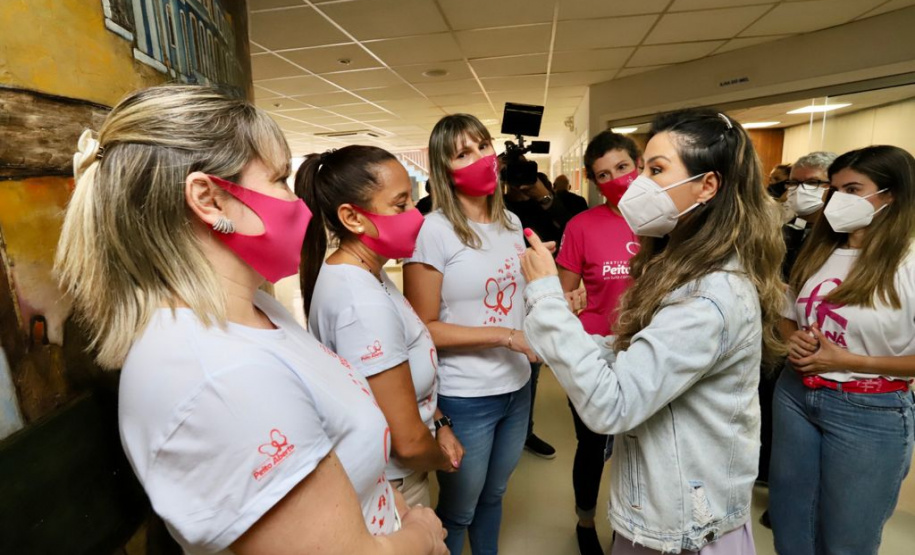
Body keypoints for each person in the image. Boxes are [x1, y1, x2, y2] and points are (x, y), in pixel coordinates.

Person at [55, 85, 447, 555]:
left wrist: (395, 509)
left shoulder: (260, 310)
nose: (298, 204)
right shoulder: (219, 376)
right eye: (279, 179)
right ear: (209, 199)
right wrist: (423, 534)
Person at [520, 108, 786, 554]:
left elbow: (613, 404)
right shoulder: (682, 267)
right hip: (664, 508)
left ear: (707, 185)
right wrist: (560, 336)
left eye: (655, 170)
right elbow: (640, 356)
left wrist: (546, 297)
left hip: (688, 526)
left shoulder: (709, 297)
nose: (637, 184)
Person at [296, 145, 464, 508]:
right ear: (352, 218)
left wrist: (439, 422)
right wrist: (443, 461)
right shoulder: (364, 305)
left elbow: (398, 384)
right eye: (400, 205)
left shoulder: (364, 273)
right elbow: (408, 444)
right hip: (395, 483)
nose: (415, 215)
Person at [769, 145, 915, 555]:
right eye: (834, 190)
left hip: (869, 409)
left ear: (891, 195)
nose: (837, 200)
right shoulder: (821, 251)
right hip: (796, 395)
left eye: (853, 190)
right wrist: (792, 338)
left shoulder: (908, 263)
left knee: (847, 540)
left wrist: (849, 360)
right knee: (791, 528)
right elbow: (788, 314)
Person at [403, 113, 539, 554]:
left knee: (494, 496)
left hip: (517, 387)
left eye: (483, 146)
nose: (481, 158)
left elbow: (513, 299)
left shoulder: (512, 223)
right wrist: (505, 336)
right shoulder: (433, 232)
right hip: (466, 397)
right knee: (460, 510)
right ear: (445, 170)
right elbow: (422, 329)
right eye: (463, 153)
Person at [554, 130, 641, 555]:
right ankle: (585, 520)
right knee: (592, 444)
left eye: (623, 167)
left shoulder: (670, 222)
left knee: (642, 444)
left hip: (650, 350)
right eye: (604, 174)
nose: (616, 179)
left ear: (640, 166)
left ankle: (633, 523)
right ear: (592, 180)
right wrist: (565, 305)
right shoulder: (582, 226)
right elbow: (562, 296)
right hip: (596, 348)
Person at [503, 170, 573, 460]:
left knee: (529, 370)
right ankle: (505, 437)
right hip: (502, 303)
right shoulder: (501, 210)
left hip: (542, 294)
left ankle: (525, 432)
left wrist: (542, 195)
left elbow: (569, 227)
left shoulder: (548, 203)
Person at [784, 152, 838, 276]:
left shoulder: (838, 234)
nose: (800, 189)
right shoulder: (787, 226)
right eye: (794, 182)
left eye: (812, 182)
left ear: (834, 186)